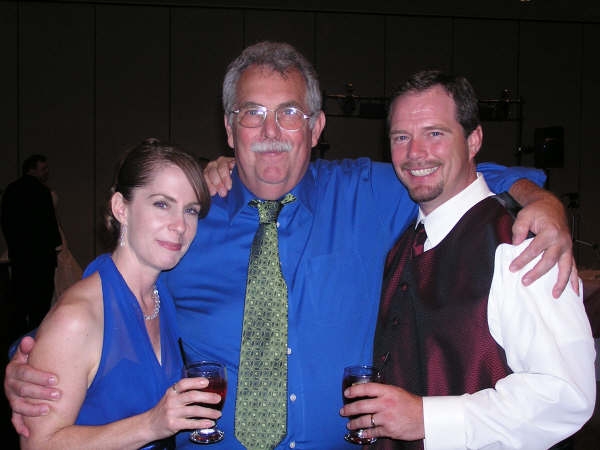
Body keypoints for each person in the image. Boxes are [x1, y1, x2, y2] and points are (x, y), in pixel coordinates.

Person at [5, 42, 576, 449]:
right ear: (229, 128)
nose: (271, 131)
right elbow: (111, 303)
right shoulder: (188, 221)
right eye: (252, 114)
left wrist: (539, 201)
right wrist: (31, 360)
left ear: (317, 127)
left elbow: (453, 172)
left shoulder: (366, 194)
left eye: (290, 114)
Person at [339, 71, 596, 449]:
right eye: (401, 137)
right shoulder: (403, 243)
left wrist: (427, 418)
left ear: (473, 140)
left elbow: (566, 395)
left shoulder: (520, 245)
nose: (415, 153)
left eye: (435, 133)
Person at [18, 138, 223, 450]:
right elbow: (37, 444)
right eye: (162, 204)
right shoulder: (77, 318)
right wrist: (150, 425)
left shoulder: (161, 296)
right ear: (120, 208)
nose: (180, 225)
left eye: (191, 210)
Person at [1, 154, 62, 337]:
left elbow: (6, 222)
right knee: (41, 302)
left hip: (20, 255)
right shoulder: (41, 191)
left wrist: (14, 246)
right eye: (43, 169)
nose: (46, 173)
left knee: (19, 300)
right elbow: (49, 223)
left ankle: (16, 340)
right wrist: (55, 245)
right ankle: (37, 338)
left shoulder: (11, 190)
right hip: (42, 255)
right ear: (32, 169)